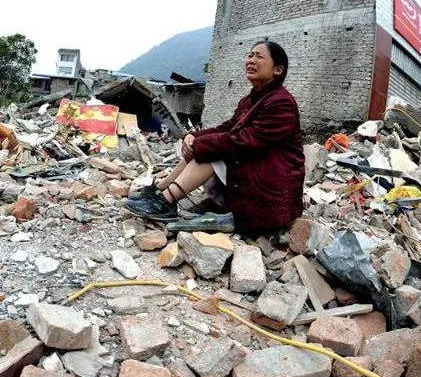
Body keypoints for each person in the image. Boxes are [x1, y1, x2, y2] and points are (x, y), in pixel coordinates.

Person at [126, 40, 305, 235]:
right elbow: (227, 128)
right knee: (204, 145)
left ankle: (165, 202)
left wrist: (200, 144)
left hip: (273, 192)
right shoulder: (250, 100)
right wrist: (193, 136)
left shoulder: (281, 103)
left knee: (213, 151)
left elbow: (246, 141)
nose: (251, 60)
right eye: (250, 55)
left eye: (259, 56)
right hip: (254, 176)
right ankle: (161, 190)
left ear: (278, 70)